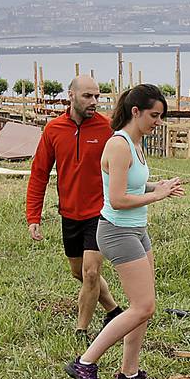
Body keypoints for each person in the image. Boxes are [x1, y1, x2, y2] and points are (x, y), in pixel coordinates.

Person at [65, 84, 184, 379]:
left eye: (161, 116)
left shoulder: (137, 143)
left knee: (144, 307)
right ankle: (85, 362)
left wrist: (160, 185)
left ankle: (129, 372)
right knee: (142, 307)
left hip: (137, 230)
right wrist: (156, 196)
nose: (158, 121)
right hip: (117, 232)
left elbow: (135, 184)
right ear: (136, 111)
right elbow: (117, 199)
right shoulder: (118, 145)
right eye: (154, 115)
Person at [25, 76, 125, 342]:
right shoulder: (54, 130)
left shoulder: (107, 129)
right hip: (69, 213)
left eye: (97, 96)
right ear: (71, 95)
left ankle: (81, 332)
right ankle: (113, 310)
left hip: (100, 212)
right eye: (88, 96)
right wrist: (33, 216)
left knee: (92, 272)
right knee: (78, 272)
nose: (94, 102)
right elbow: (39, 174)